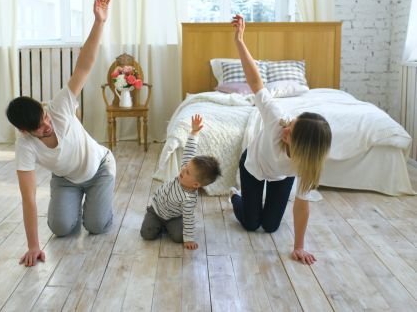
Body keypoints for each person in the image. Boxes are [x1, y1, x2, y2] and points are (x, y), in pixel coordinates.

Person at [6, 0, 113, 267]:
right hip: (66, 178)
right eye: (39, 128)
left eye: (44, 117)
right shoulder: (25, 146)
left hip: (99, 168)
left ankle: (98, 201)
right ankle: (74, 202)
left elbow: (84, 66)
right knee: (61, 228)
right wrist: (33, 246)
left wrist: (99, 22)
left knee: (97, 226)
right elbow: (28, 198)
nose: (46, 124)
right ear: (25, 132)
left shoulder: (60, 106)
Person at [229, 14, 332, 265]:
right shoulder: (278, 119)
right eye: (291, 124)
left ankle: (259, 206)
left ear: (304, 150)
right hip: (253, 165)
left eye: (291, 134)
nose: (286, 129)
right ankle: (235, 196)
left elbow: (302, 205)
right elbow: (256, 82)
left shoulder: (308, 164)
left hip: (281, 176)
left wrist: (299, 247)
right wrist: (240, 40)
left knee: (271, 227)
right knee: (252, 225)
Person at [140, 114, 221, 250]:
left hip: (173, 216)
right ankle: (157, 223)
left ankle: (169, 226)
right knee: (146, 235)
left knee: (179, 238)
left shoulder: (189, 200)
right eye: (185, 166)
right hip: (156, 210)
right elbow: (190, 150)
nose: (183, 169)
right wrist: (194, 132)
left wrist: (188, 239)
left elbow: (189, 218)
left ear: (195, 185)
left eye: (187, 172)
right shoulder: (186, 168)